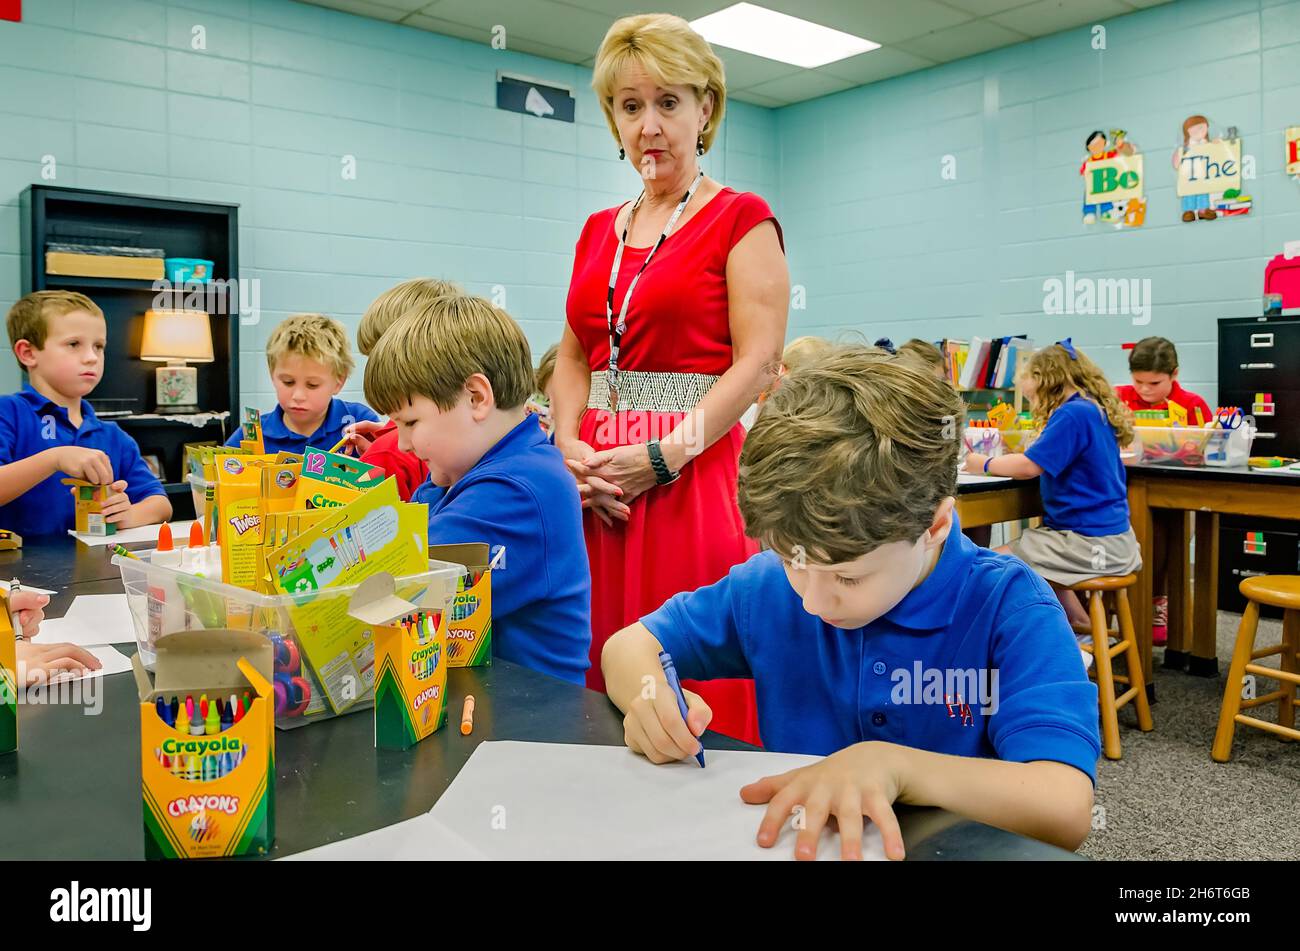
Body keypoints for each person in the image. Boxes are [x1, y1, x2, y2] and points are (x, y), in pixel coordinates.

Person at [602, 347, 1098, 860]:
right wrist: (647, 694)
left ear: (934, 526)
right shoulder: (768, 586)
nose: (814, 601)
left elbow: (1064, 806)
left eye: (848, 576)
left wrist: (895, 768)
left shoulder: (1011, 608)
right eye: (795, 563)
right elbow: (630, 644)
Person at [551, 13, 788, 743]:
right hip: (597, 481)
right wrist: (566, 446)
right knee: (596, 659)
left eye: (668, 102)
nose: (649, 124)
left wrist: (664, 454)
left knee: (683, 657)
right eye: (630, 106)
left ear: (705, 108)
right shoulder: (597, 228)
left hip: (689, 471)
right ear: (613, 121)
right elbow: (574, 356)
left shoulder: (741, 218)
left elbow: (759, 363)